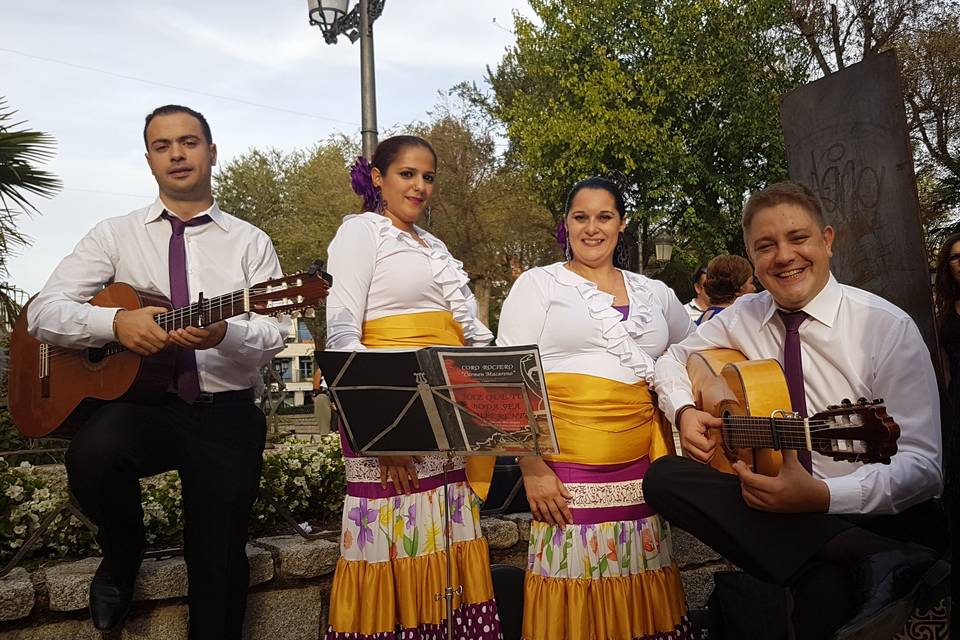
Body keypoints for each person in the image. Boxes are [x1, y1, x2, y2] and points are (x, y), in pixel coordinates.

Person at [647, 181, 950, 640]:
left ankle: (874, 555)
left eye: (798, 238)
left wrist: (823, 498)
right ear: (752, 258)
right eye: (766, 246)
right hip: (791, 522)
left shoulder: (886, 328)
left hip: (884, 517)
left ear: (827, 241)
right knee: (665, 478)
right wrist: (687, 408)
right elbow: (669, 358)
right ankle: (864, 555)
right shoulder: (743, 315)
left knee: (820, 600)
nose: (784, 256)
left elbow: (925, 469)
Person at [27, 105, 286, 637]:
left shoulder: (249, 241)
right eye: (163, 145)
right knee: (93, 454)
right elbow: (42, 313)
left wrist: (225, 332)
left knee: (218, 561)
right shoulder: (114, 235)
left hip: (225, 414)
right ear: (148, 160)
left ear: (211, 153)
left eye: (188, 142)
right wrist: (115, 324)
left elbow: (274, 332)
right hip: (144, 407)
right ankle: (123, 552)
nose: (177, 154)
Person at [497, 176, 696, 640]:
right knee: (575, 590)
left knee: (641, 580)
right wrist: (531, 467)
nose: (592, 228)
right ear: (565, 224)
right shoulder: (539, 284)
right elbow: (505, 376)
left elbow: (692, 355)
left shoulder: (656, 294)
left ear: (622, 223)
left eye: (604, 217)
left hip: (643, 473)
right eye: (580, 217)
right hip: (562, 473)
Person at [323, 135, 502, 639]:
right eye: (407, 174)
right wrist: (384, 436)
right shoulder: (360, 233)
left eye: (428, 177)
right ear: (378, 178)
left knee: (445, 546)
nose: (420, 186)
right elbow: (342, 333)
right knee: (396, 540)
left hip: (448, 417)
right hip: (390, 419)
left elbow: (472, 333)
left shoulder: (437, 247)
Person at [696, 254, 756, 324]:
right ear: (738, 288)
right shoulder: (735, 321)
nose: (754, 288)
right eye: (751, 282)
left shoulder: (706, 318)